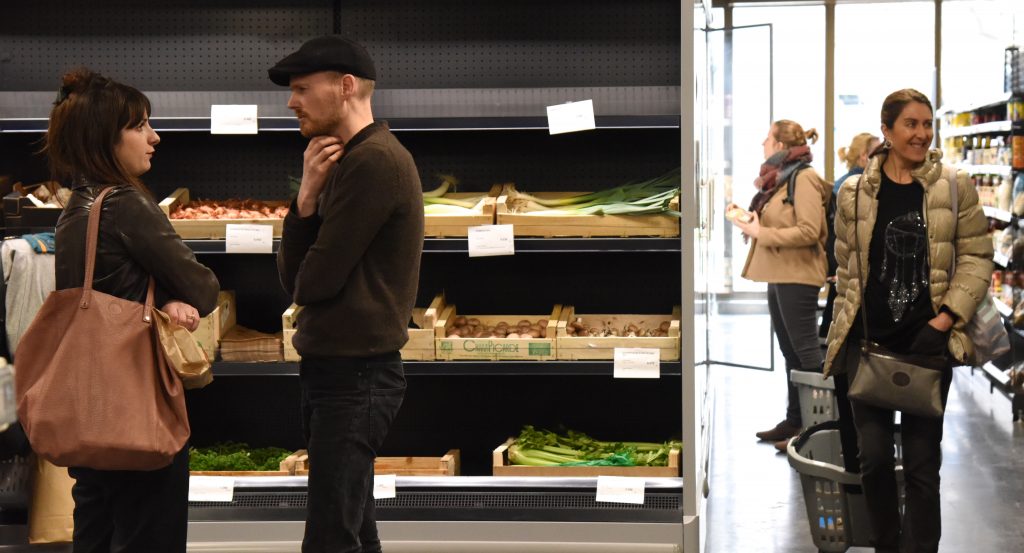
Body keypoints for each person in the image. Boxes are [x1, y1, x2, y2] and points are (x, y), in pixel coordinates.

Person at [46, 69, 220, 552]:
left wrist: (161, 294)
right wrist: (174, 294)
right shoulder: (125, 204)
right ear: (106, 137)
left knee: (96, 530)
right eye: (139, 125)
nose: (154, 137)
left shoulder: (73, 209)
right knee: (149, 533)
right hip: (136, 409)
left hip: (88, 406)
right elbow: (203, 288)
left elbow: (106, 291)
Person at [270, 35, 424, 553]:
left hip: (357, 378)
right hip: (339, 372)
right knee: (354, 529)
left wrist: (307, 209)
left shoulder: (373, 162)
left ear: (346, 86)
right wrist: (306, 199)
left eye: (301, 89)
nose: (291, 102)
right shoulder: (345, 160)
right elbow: (298, 283)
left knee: (330, 537)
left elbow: (311, 283)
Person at [824, 88, 992, 553]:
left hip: (927, 343)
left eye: (926, 124)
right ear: (887, 130)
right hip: (869, 343)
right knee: (873, 460)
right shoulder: (854, 192)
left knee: (922, 465)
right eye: (910, 124)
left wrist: (945, 319)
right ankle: (885, 545)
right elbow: (847, 268)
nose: (921, 134)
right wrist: (843, 328)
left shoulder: (954, 186)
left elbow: (978, 256)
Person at [730, 120, 831, 452]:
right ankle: (795, 420)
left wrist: (762, 234)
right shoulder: (781, 180)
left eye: (767, 137)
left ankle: (818, 429)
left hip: (798, 276)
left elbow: (809, 231)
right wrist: (752, 222)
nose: (762, 142)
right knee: (791, 353)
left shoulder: (803, 178)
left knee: (806, 354)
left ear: (779, 145)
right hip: (781, 273)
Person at [821, 132, 880, 475]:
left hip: (882, 321)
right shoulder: (850, 191)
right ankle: (854, 479)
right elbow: (841, 248)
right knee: (855, 405)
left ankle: (856, 474)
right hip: (853, 311)